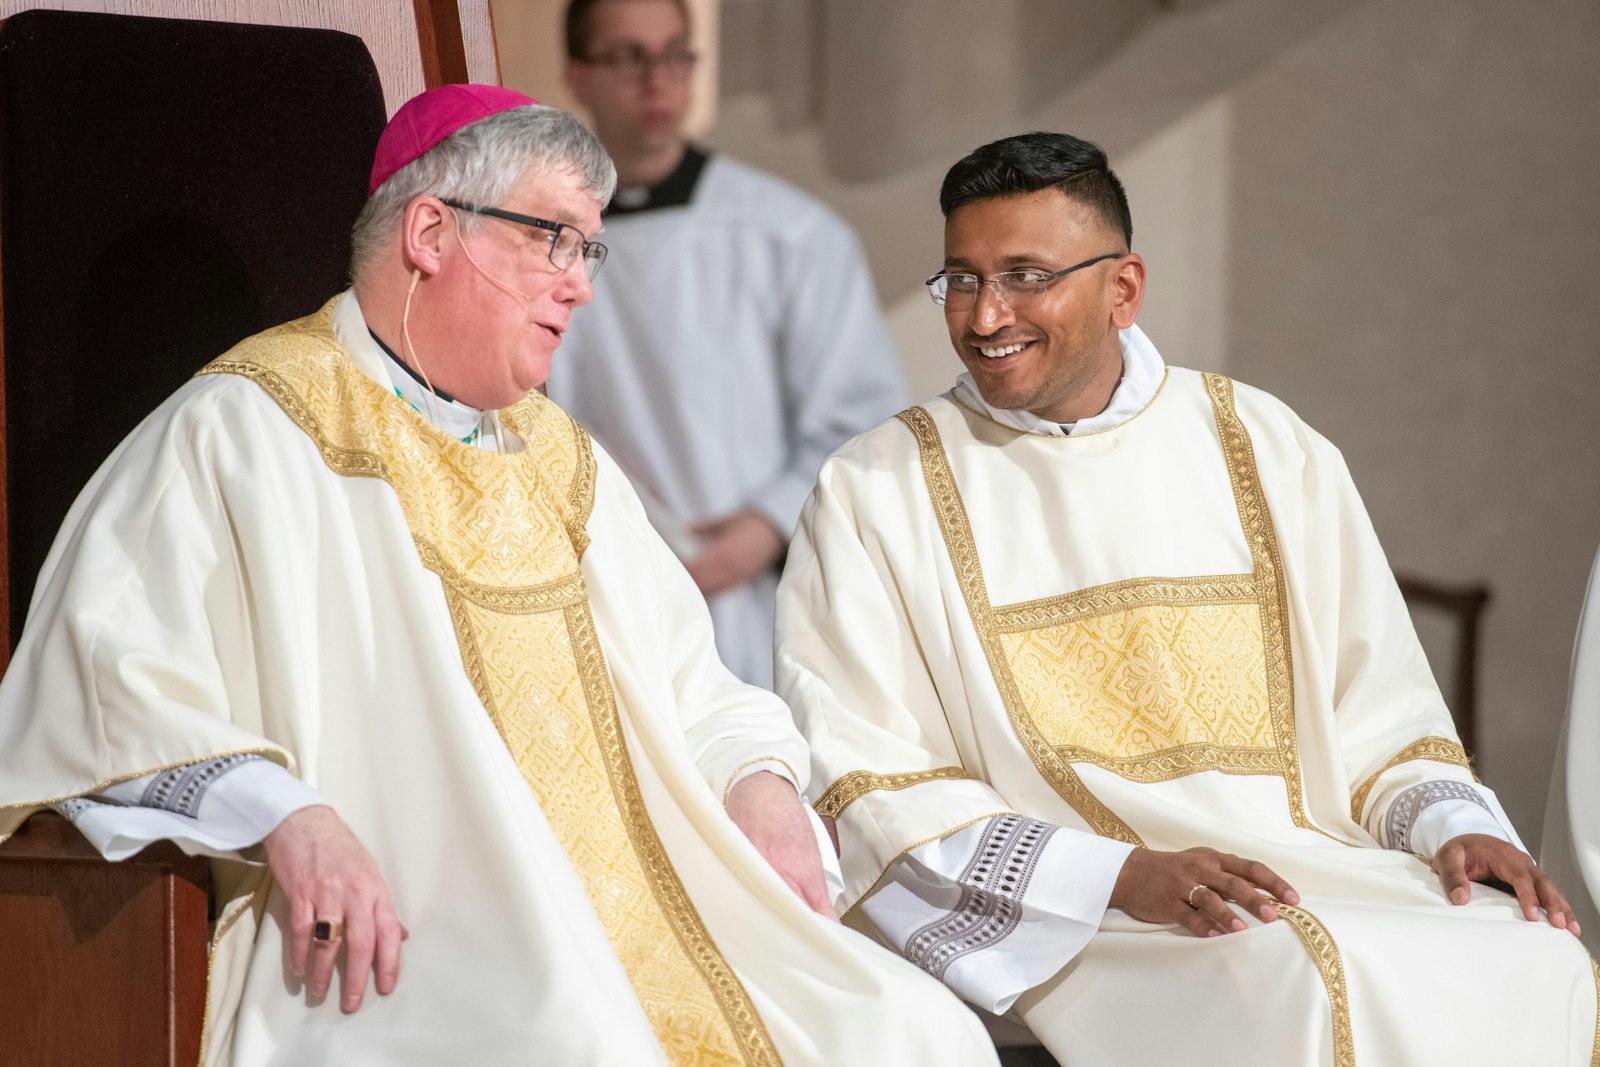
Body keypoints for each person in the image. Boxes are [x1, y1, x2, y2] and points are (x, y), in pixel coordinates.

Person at [0, 85, 1000, 1066]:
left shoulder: (559, 458)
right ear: (432, 233)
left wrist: (763, 785)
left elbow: (697, 688)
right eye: (552, 238)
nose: (581, 283)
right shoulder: (247, 429)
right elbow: (111, 678)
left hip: (650, 913)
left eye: (589, 245)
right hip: (408, 934)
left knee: (918, 1031)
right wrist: (283, 811)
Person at [774, 131, 1600, 1065]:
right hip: (1082, 913)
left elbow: (1381, 718)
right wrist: (1118, 875)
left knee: (1541, 957)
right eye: (960, 279)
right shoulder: (877, 488)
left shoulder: (1267, 445)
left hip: (1314, 864)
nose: (984, 314)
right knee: (1299, 978)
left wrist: (1459, 826)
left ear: (1123, 288)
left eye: (1024, 275)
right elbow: (867, 775)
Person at [548, 0, 907, 688]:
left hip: (755, 597)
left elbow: (863, 421)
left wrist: (765, 527)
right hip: (604, 594)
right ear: (577, 76)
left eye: (675, 54)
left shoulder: (788, 233)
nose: (658, 80)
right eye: (627, 56)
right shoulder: (541, 243)